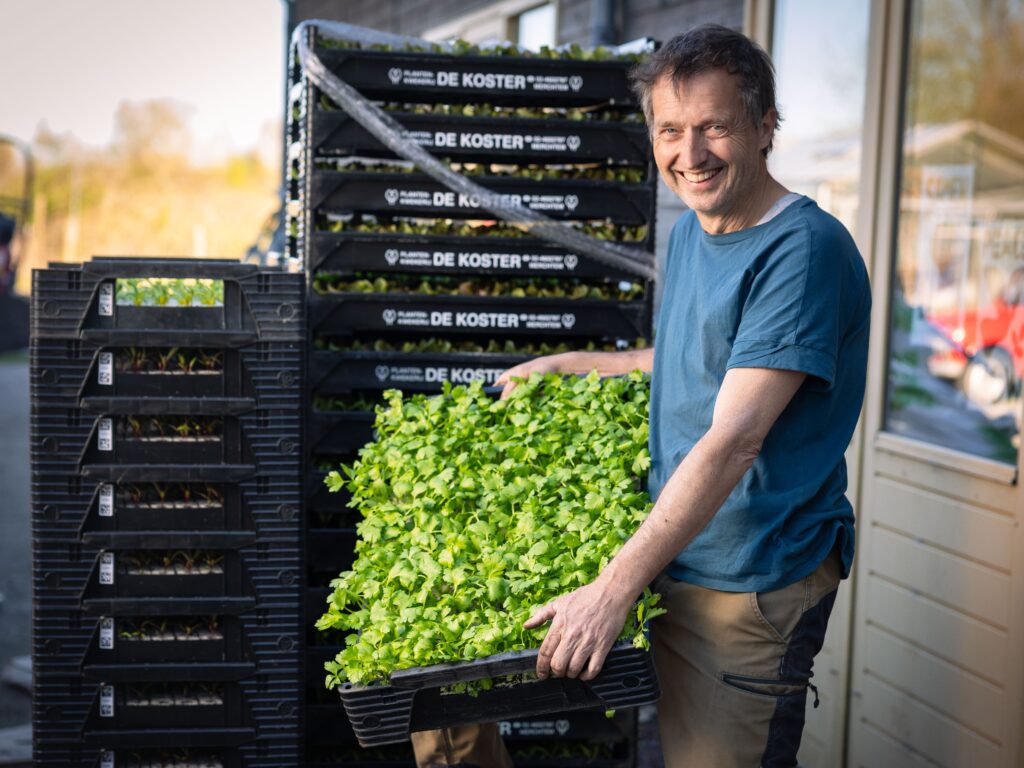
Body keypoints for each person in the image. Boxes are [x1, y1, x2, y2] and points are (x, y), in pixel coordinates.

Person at [410, 23, 871, 768]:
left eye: (715, 127)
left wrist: (611, 586)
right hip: (674, 552)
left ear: (764, 127)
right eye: (670, 130)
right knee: (448, 706)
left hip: (748, 580)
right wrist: (575, 364)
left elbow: (737, 435)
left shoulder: (804, 252)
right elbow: (708, 357)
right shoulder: (694, 229)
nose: (690, 155)